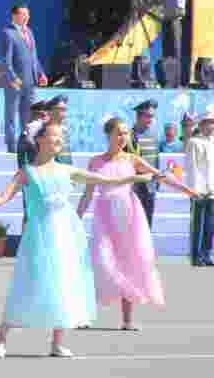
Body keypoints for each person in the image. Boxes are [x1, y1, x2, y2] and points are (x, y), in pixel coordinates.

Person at [0, 122, 151, 358]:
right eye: (55, 136)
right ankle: (1, 341)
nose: (60, 141)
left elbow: (105, 180)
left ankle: (57, 343)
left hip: (65, 235)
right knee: (26, 283)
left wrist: (138, 177)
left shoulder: (67, 170)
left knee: (63, 283)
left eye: (62, 137)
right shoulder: (27, 172)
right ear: (40, 139)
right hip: (39, 236)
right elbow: (2, 198)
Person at [77, 117, 196, 329]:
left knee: (128, 263)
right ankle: (85, 315)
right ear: (108, 135)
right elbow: (87, 194)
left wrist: (188, 191)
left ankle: (127, 320)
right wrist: (76, 216)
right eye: (119, 133)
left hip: (129, 214)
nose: (123, 137)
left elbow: (160, 176)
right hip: (104, 216)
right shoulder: (95, 161)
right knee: (101, 262)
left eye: (126, 133)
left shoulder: (132, 159)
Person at [3, 4, 48, 153]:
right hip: (15, 82)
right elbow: (6, 60)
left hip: (30, 81)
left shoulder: (29, 32)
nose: (27, 17)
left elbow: (34, 57)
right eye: (23, 14)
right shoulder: (8, 33)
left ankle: (26, 144)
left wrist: (40, 73)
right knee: (11, 115)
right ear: (14, 16)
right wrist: (13, 77)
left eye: (27, 14)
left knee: (29, 115)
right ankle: (11, 147)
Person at [184, 108, 214, 266]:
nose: (211, 126)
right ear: (201, 125)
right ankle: (196, 256)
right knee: (197, 225)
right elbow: (192, 168)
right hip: (199, 191)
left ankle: (207, 254)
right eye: (208, 123)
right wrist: (194, 190)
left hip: (212, 190)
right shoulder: (194, 142)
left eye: (213, 123)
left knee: (210, 225)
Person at [126, 100, 160, 229]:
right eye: (148, 116)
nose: (151, 119)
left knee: (147, 223)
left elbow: (155, 159)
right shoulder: (129, 135)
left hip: (150, 186)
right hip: (134, 186)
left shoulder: (154, 135)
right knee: (133, 224)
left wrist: (156, 181)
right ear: (138, 116)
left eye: (152, 116)